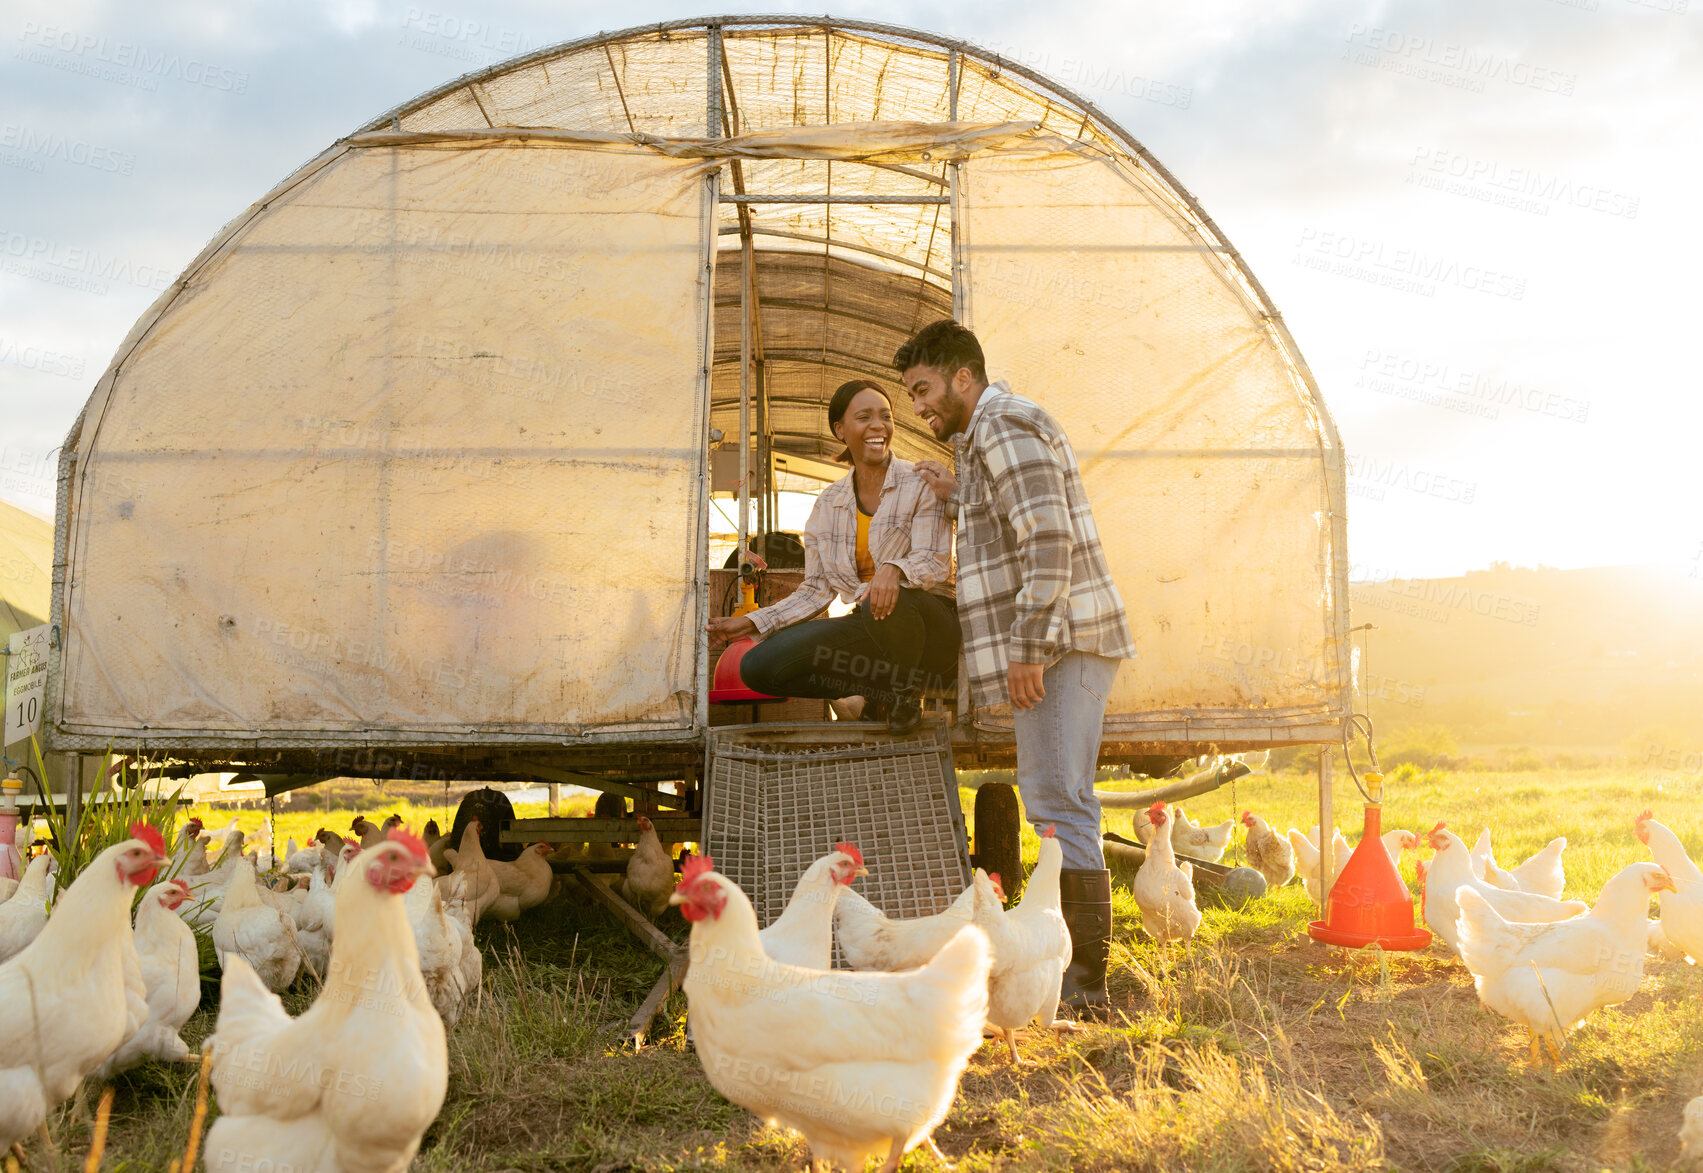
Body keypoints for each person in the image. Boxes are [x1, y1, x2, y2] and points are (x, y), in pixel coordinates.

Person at [896, 319, 1136, 1016]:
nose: (918, 407)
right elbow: (1013, 518)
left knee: (1061, 801)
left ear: (962, 378)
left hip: (1059, 644)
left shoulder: (1001, 427)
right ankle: (1072, 970)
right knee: (1053, 798)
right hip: (1058, 641)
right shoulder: (989, 438)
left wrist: (1028, 645)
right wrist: (957, 493)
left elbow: (1049, 538)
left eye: (923, 390)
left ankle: (1085, 982)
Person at [705, 379, 960, 734]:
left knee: (879, 600)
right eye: (864, 417)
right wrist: (752, 623)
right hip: (873, 626)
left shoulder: (920, 482)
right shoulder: (829, 503)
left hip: (932, 630)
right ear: (840, 430)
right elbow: (816, 590)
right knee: (760, 666)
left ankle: (905, 694)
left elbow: (934, 562)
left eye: (885, 417)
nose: (878, 426)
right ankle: (879, 689)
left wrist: (892, 570)